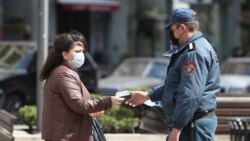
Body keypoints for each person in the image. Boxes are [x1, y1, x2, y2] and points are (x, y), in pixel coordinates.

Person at [127, 8, 221, 141]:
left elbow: (189, 94)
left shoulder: (193, 53)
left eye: (172, 29)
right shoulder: (195, 48)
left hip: (193, 125)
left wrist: (177, 128)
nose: (171, 33)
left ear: (182, 28)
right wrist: (148, 95)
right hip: (190, 122)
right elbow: (176, 86)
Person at [40, 31, 124, 141]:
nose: (81, 55)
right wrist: (108, 101)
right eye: (77, 51)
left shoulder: (64, 71)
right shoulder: (64, 74)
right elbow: (79, 104)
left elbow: (72, 105)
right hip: (66, 136)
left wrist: (90, 111)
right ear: (64, 54)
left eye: (83, 52)